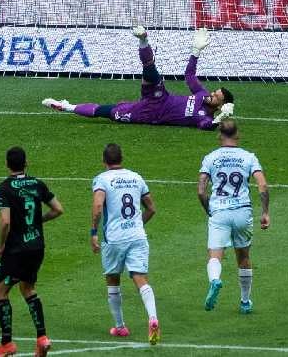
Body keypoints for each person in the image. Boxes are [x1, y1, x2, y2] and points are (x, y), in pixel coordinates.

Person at [43, 26, 234, 130]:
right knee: (151, 72)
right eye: (214, 91)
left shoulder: (204, 117)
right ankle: (143, 39)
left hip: (147, 114)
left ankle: (66, 106)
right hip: (160, 98)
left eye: (216, 97)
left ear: (219, 105)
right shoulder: (200, 94)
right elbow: (190, 75)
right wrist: (196, 51)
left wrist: (221, 117)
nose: (211, 94)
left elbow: (207, 127)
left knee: (106, 112)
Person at [0, 147, 64, 357]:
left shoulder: (3, 189)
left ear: (7, 164)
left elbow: (5, 220)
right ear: (26, 163)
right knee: (28, 288)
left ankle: (6, 343)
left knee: (0, 291)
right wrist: (38, 222)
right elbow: (58, 209)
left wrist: (0, 245)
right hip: (37, 247)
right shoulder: (37, 184)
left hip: (16, 250)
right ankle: (42, 337)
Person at [91, 143, 160, 345]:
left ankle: (120, 327)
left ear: (104, 161)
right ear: (122, 158)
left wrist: (93, 232)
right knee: (140, 278)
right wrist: (138, 223)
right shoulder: (136, 177)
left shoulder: (102, 179)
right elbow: (151, 208)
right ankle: (153, 317)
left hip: (114, 238)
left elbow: (97, 206)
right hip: (137, 236)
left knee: (113, 280)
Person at [198, 120, 270, 314]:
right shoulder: (248, 157)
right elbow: (262, 185)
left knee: (215, 254)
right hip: (242, 212)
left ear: (219, 136)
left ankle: (215, 280)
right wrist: (265, 212)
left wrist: (209, 210)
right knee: (244, 256)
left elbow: (201, 190)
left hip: (219, 211)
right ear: (238, 135)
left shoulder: (210, 158)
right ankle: (245, 302)